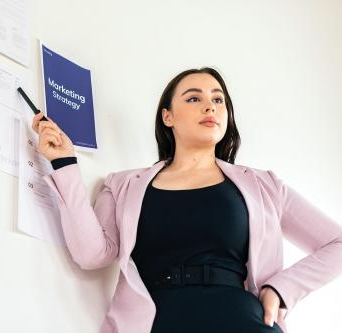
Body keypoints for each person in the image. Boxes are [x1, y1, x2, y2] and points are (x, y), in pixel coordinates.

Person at [31, 67, 342, 333]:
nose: (210, 107)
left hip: (242, 321)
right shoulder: (123, 185)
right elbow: (91, 254)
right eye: (194, 98)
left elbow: (337, 243)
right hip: (157, 322)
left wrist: (280, 290)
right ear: (168, 116)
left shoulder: (264, 185)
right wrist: (64, 164)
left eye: (218, 99)